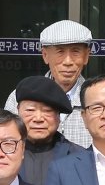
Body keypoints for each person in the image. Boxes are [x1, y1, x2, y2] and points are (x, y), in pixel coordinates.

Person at [6, 18, 96, 149]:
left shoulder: (96, 99)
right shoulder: (19, 97)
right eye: (60, 52)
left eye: (75, 51)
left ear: (86, 56)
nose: (68, 61)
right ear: (45, 55)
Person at [15, 74, 79, 185]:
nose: (38, 119)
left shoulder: (78, 157)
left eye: (47, 111)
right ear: (18, 111)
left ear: (59, 116)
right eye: (30, 110)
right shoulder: (1, 153)